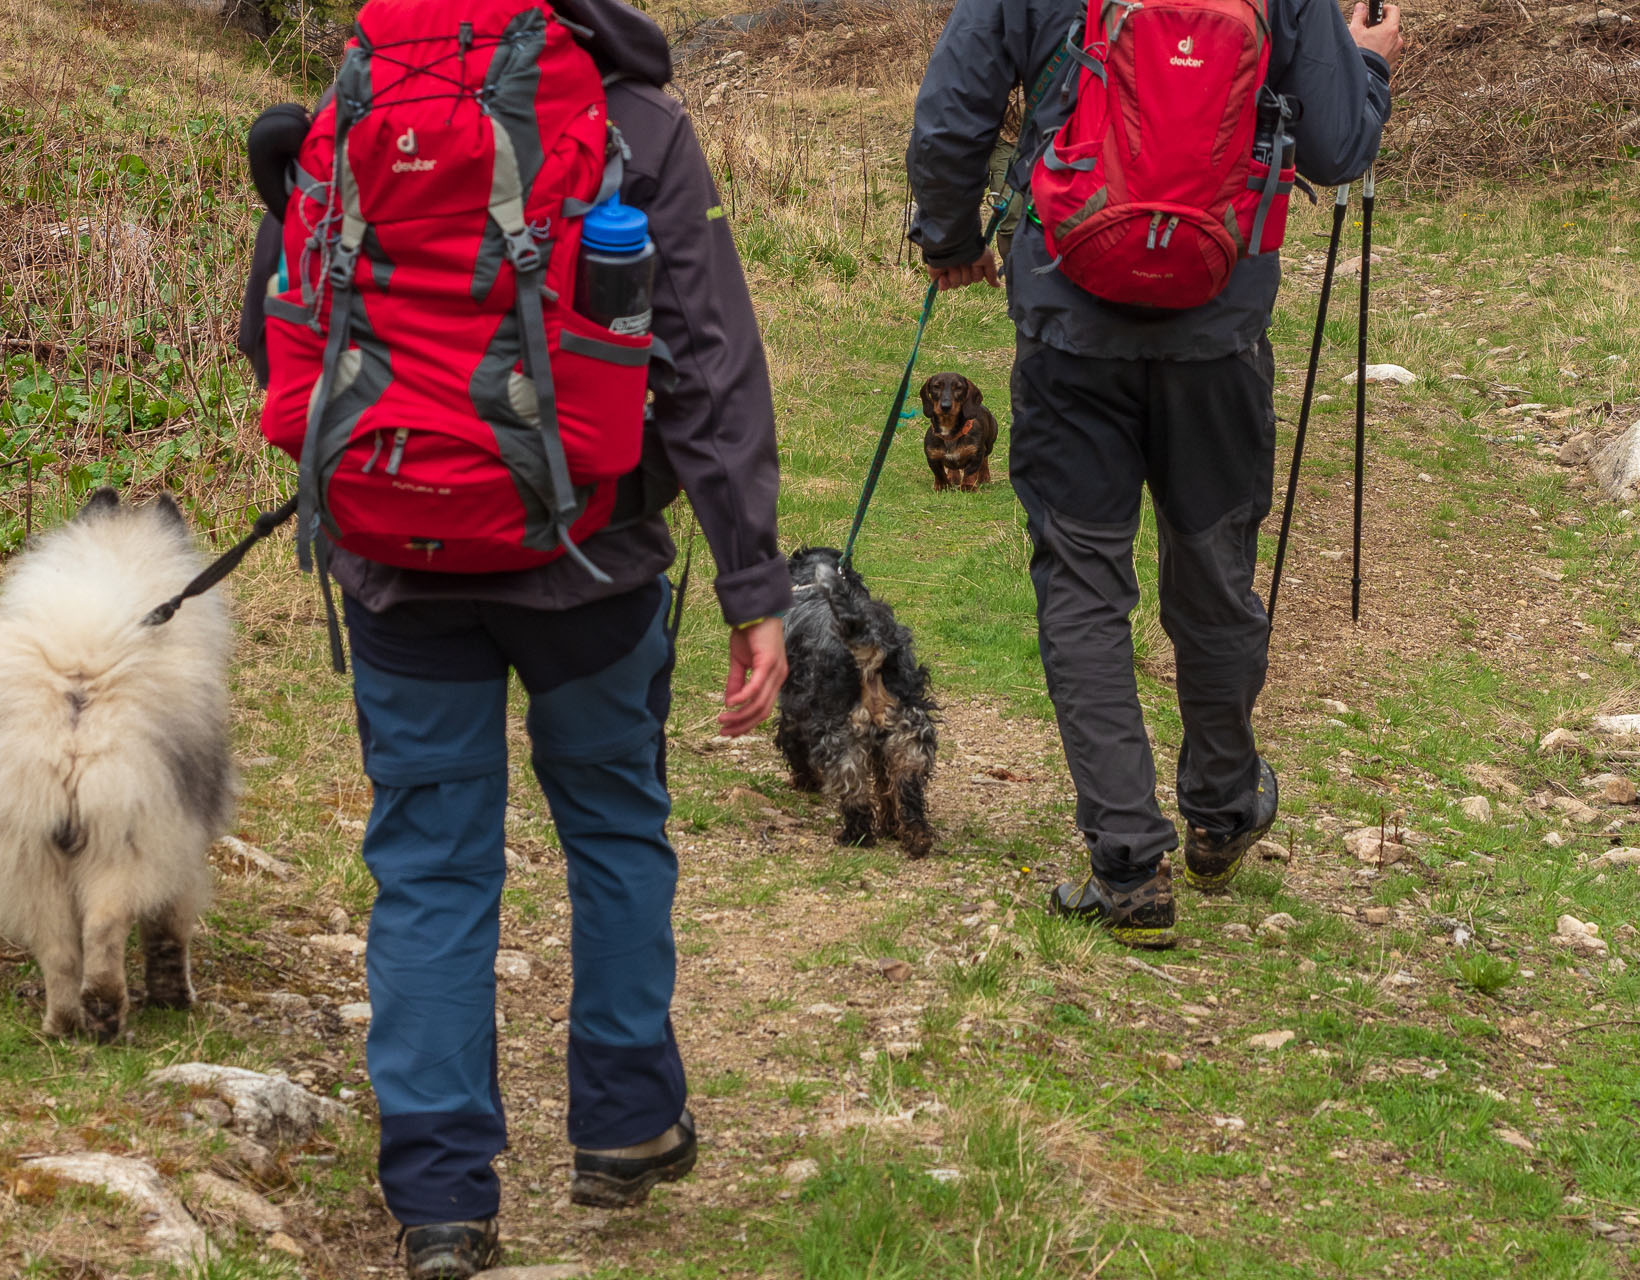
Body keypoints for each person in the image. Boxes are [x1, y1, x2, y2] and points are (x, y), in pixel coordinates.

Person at [265, 2, 791, 1274]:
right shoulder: (635, 120)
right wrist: (751, 581)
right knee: (612, 822)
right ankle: (625, 1124)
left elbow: (280, 335)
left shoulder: (352, 108)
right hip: (593, 555)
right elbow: (711, 359)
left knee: (433, 868)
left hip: (398, 557)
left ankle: (443, 1198)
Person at [906, 0, 1403, 947]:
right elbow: (1339, 149)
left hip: (1068, 318)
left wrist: (951, 240)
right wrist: (1368, 62)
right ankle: (1219, 812)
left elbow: (949, 113)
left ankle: (1128, 864)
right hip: (1218, 331)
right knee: (1213, 570)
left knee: (1084, 584)